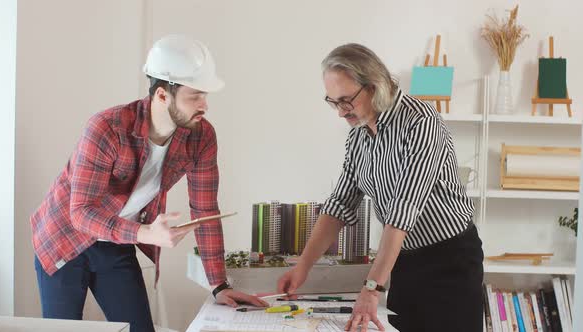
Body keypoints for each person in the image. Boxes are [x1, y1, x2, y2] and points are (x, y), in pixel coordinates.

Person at [31, 35, 267, 332]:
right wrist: (146, 232)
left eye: (205, 95)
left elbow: (205, 209)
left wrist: (218, 284)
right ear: (162, 95)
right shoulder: (107, 127)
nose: (204, 105)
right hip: (63, 238)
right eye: (195, 95)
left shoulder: (201, 136)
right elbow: (81, 212)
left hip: (117, 242)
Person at [277, 43, 484, 332]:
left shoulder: (420, 121)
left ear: (374, 86)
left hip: (450, 259)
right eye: (333, 102)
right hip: (402, 259)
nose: (340, 112)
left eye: (346, 100)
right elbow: (339, 204)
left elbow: (403, 210)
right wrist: (303, 266)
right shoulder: (358, 136)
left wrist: (371, 289)